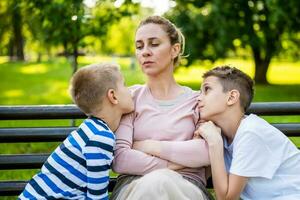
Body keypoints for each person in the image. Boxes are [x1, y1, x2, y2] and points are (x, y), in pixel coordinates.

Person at [111, 16, 212, 200]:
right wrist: (177, 162)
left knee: (160, 183)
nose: (145, 52)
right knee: (156, 183)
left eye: (154, 44)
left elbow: (206, 152)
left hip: (187, 187)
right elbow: (121, 159)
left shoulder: (198, 101)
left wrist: (148, 146)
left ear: (175, 50)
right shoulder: (130, 99)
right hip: (134, 187)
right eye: (139, 46)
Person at [18, 63, 134, 200]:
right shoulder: (100, 137)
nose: (131, 91)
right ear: (113, 96)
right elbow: (97, 197)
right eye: (125, 85)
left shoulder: (92, 129)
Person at [195, 66, 300, 199]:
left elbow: (227, 198)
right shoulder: (221, 133)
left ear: (231, 97)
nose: (198, 98)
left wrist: (215, 144)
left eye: (206, 90)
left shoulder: (250, 132)